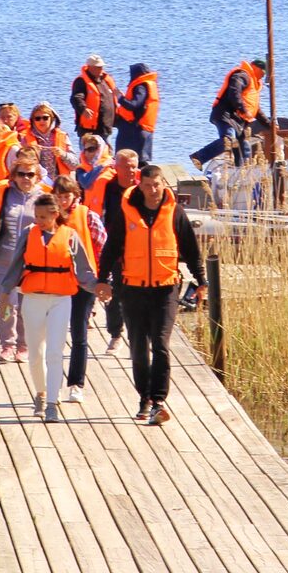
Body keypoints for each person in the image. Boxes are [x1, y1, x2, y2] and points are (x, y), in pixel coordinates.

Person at [97, 164, 208, 425]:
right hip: (132, 288)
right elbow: (111, 247)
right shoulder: (127, 213)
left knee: (160, 343)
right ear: (140, 185)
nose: (153, 190)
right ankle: (143, 397)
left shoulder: (174, 212)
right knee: (138, 346)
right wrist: (103, 280)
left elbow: (191, 250)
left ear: (164, 184)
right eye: (148, 185)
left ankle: (158, 401)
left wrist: (202, 280)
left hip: (166, 288)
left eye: (157, 184)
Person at [3, 193, 100, 422]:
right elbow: (16, 264)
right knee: (36, 353)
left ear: (56, 215)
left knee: (55, 352)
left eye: (44, 217)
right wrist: (6, 293)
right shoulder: (29, 234)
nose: (39, 221)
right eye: (36, 216)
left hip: (61, 299)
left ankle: (52, 403)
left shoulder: (70, 236)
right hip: (33, 298)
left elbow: (85, 271)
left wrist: (99, 288)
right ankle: (41, 393)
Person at [0, 150, 47, 362]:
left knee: (26, 306)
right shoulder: (3, 195)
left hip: (31, 262)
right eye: (21, 174)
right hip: (2, 259)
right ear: (13, 175)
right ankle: (7, 345)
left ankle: (24, 345)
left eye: (30, 174)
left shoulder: (43, 197)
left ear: (37, 176)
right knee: (6, 305)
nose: (26, 178)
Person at [52, 176, 106, 404]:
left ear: (76, 195)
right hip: (54, 284)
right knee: (53, 337)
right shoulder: (49, 217)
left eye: (67, 196)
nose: (63, 201)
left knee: (79, 335)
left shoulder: (88, 216)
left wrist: (103, 280)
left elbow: (102, 247)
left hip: (83, 285)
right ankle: (50, 384)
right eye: (60, 196)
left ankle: (76, 384)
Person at [95, 149, 142, 351]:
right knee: (111, 291)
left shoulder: (142, 189)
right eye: (126, 166)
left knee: (136, 294)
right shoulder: (107, 188)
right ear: (116, 167)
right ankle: (116, 333)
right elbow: (98, 215)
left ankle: (137, 336)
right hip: (111, 246)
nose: (130, 170)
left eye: (133, 166)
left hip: (138, 247)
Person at [202, 58, 269, 166]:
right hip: (225, 115)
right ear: (255, 68)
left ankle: (243, 171)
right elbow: (234, 93)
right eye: (262, 72)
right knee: (228, 140)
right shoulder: (242, 76)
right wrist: (243, 109)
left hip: (237, 120)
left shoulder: (254, 83)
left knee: (244, 146)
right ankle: (199, 157)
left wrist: (269, 124)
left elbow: (255, 110)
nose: (263, 76)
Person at [113, 63, 160, 166]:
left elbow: (134, 105)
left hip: (134, 131)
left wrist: (120, 98)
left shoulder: (141, 87)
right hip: (145, 130)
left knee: (124, 158)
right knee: (140, 161)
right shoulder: (149, 84)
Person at [69, 54, 117, 142]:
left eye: (102, 67)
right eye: (98, 67)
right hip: (90, 130)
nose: (101, 69)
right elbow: (76, 98)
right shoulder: (81, 81)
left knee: (106, 155)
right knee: (89, 154)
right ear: (90, 67)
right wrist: (83, 109)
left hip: (105, 128)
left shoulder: (105, 80)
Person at [26, 101, 75, 184]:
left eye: (45, 118)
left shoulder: (63, 136)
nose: (41, 121)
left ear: (52, 118)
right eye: (37, 118)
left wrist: (63, 154)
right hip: (37, 185)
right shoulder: (26, 139)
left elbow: (75, 165)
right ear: (33, 121)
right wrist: (30, 153)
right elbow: (20, 165)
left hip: (60, 186)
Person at [76, 134, 112, 211]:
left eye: (91, 149)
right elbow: (85, 183)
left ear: (100, 149)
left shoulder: (112, 166)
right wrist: (101, 167)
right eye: (85, 150)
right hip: (88, 211)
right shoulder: (81, 169)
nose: (87, 153)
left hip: (105, 211)